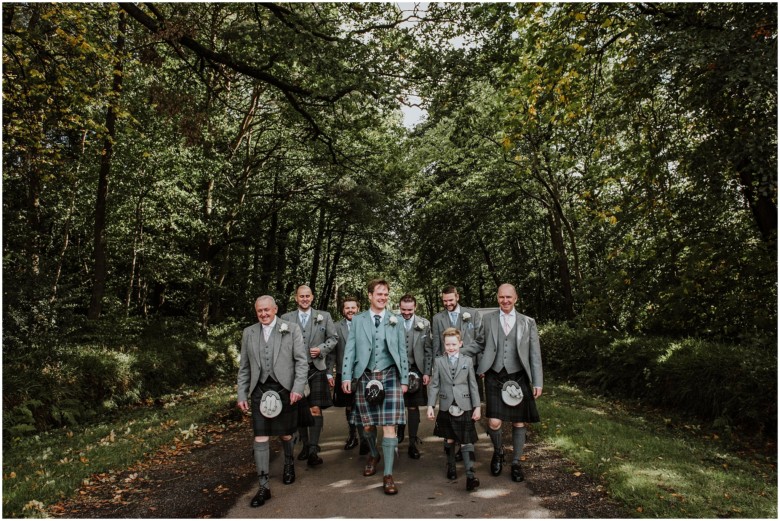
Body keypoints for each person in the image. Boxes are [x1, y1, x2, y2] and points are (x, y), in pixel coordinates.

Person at [463, 283, 543, 483]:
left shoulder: (528, 322)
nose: (505, 301)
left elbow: (535, 354)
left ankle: (516, 462)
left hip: (519, 375)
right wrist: (458, 351)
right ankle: (498, 452)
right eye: (501, 297)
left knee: (518, 421)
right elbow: (480, 343)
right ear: (497, 298)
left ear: (516, 298)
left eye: (509, 297)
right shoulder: (488, 319)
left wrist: (538, 381)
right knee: (494, 421)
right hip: (494, 374)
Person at [237, 295, 308, 508]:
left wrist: (297, 388)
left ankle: (288, 463)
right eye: (260, 311)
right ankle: (263, 486)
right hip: (259, 390)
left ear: (275, 309)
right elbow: (245, 368)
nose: (264, 314)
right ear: (256, 311)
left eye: (267, 310)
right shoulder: (248, 332)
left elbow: (301, 362)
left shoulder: (291, 328)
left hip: (284, 388)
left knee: (286, 433)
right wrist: (242, 394)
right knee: (260, 436)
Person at [342, 278, 409, 495]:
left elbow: (401, 351)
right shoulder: (359, 320)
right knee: (367, 425)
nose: (383, 298)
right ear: (369, 296)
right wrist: (345, 376)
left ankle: (388, 475)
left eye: (385, 294)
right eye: (379, 294)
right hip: (365, 375)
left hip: (389, 375)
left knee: (389, 425)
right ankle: (373, 453)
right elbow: (350, 349)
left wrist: (405, 379)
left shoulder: (395, 320)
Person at [281, 285, 338, 467]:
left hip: (316, 368)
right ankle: (305, 445)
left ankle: (313, 448)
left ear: (312, 297)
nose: (305, 299)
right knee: (299, 409)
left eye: (307, 296)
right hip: (295, 370)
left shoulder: (324, 316)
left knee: (315, 408)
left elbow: (334, 338)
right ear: (296, 298)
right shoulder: (285, 318)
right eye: (301, 296)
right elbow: (280, 343)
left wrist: (321, 349)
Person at [430, 285, 483, 461]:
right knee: (450, 404)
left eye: (450, 300)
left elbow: (479, 342)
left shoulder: (472, 314)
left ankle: (467, 443)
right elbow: (437, 345)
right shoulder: (438, 318)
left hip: (468, 367)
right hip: (447, 368)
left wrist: (461, 354)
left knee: (467, 406)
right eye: (444, 301)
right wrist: (438, 366)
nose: (448, 304)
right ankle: (451, 441)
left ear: (457, 297)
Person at [427, 327, 481, 491]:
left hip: (464, 405)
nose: (451, 347)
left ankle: (470, 475)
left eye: (454, 344)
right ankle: (451, 466)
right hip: (446, 405)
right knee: (449, 439)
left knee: (466, 440)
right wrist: (431, 405)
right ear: (444, 345)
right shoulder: (439, 361)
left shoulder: (467, 361)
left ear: (460, 343)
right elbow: (434, 385)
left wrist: (477, 407)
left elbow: (473, 385)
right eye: (448, 344)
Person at [326, 295, 368, 453]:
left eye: (353, 307)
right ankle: (353, 436)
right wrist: (329, 373)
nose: (350, 310)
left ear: (358, 308)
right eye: (347, 308)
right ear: (343, 310)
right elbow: (331, 354)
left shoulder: (366, 324)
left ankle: (365, 438)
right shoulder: (336, 327)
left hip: (364, 372)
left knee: (364, 406)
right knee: (350, 406)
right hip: (344, 374)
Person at [397, 293, 432, 459]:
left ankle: (412, 442)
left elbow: (428, 350)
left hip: (416, 368)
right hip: (396, 369)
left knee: (413, 407)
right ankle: (399, 432)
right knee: (397, 405)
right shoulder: (392, 321)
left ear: (415, 307)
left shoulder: (424, 324)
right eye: (403, 309)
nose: (406, 313)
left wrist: (427, 371)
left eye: (409, 310)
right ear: (399, 307)